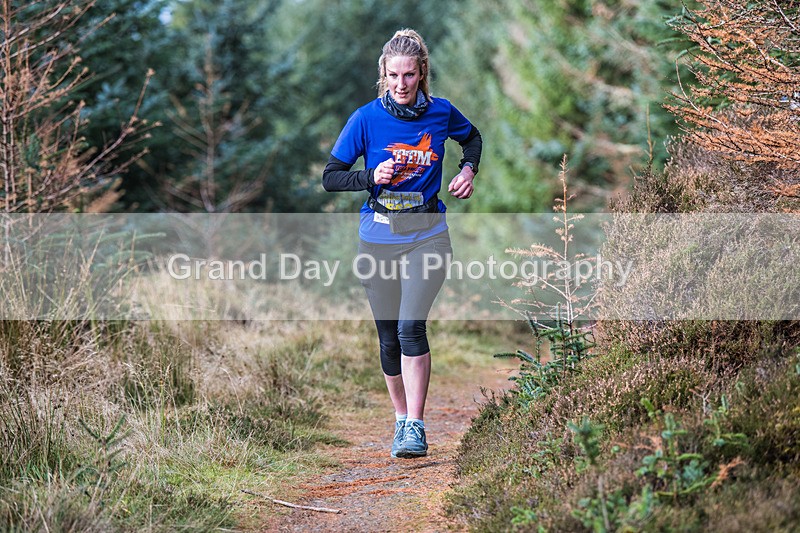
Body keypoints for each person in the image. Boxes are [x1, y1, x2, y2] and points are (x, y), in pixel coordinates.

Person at [322, 28, 482, 458]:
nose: (401, 84)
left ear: (422, 72)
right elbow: (330, 177)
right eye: (393, 75)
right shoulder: (365, 118)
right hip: (377, 238)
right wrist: (368, 177)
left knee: (411, 326)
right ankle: (400, 420)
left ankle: (416, 425)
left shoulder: (442, 112)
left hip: (428, 234)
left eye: (409, 74)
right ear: (383, 74)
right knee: (389, 337)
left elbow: (472, 138)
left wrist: (468, 171)